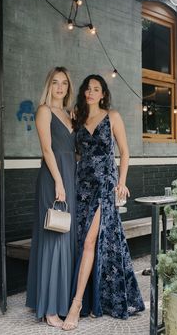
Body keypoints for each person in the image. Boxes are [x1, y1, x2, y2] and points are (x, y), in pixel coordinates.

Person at [62, 75, 145, 331]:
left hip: (104, 187)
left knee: (89, 241)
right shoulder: (77, 118)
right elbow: (76, 154)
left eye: (96, 89)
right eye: (87, 88)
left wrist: (121, 181)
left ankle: (76, 306)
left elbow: (125, 152)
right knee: (85, 241)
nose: (90, 92)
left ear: (103, 94)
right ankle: (95, 298)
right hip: (81, 186)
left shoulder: (113, 117)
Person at [26, 67, 77, 328]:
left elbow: (74, 149)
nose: (60, 87)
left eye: (64, 83)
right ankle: (50, 309)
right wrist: (58, 181)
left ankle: (60, 299)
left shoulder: (70, 114)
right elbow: (47, 148)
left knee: (67, 238)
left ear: (69, 86)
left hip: (72, 178)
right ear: (49, 85)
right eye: (55, 82)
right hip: (53, 178)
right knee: (53, 237)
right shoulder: (44, 110)